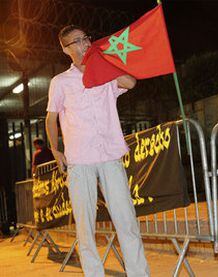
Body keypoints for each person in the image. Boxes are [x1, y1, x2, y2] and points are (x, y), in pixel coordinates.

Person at [46, 25, 149, 277]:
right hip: (80, 161)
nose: (83, 45)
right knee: (85, 227)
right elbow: (51, 118)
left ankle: (139, 273)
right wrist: (55, 150)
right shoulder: (60, 82)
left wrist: (104, 66)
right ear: (65, 49)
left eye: (85, 39)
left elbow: (131, 82)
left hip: (110, 155)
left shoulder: (103, 72)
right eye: (76, 42)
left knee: (126, 220)